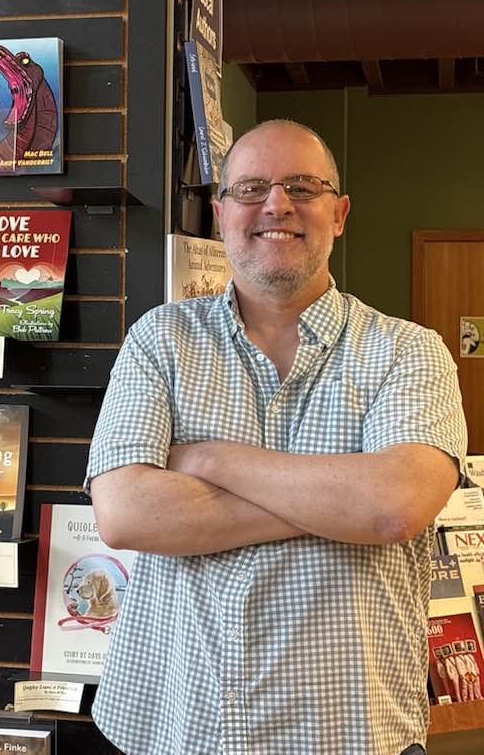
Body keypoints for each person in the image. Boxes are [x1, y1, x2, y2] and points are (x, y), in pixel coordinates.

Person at [85, 119, 466, 755]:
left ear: (339, 214)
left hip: (354, 733)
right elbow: (125, 515)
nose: (277, 205)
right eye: (252, 188)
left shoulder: (409, 352)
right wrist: (339, 499)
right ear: (221, 212)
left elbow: (393, 507)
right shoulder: (160, 340)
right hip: (181, 728)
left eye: (303, 187)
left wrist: (210, 459)